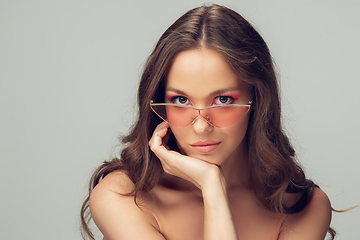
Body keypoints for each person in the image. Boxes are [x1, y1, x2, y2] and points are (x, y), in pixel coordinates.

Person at [80, 4, 335, 240]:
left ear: (257, 99)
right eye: (181, 100)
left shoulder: (304, 207)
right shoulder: (122, 196)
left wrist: (212, 188)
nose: (201, 127)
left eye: (223, 99)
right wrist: (213, 185)